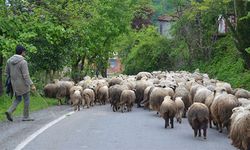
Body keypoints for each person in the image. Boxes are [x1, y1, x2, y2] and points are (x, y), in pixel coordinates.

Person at [5, 45, 36, 121]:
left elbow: (6, 73)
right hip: (23, 84)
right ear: (22, 52)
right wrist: (32, 85)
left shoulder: (9, 61)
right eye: (24, 52)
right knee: (26, 99)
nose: (25, 53)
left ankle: (9, 111)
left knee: (18, 99)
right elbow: (26, 75)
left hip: (14, 84)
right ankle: (26, 117)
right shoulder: (23, 62)